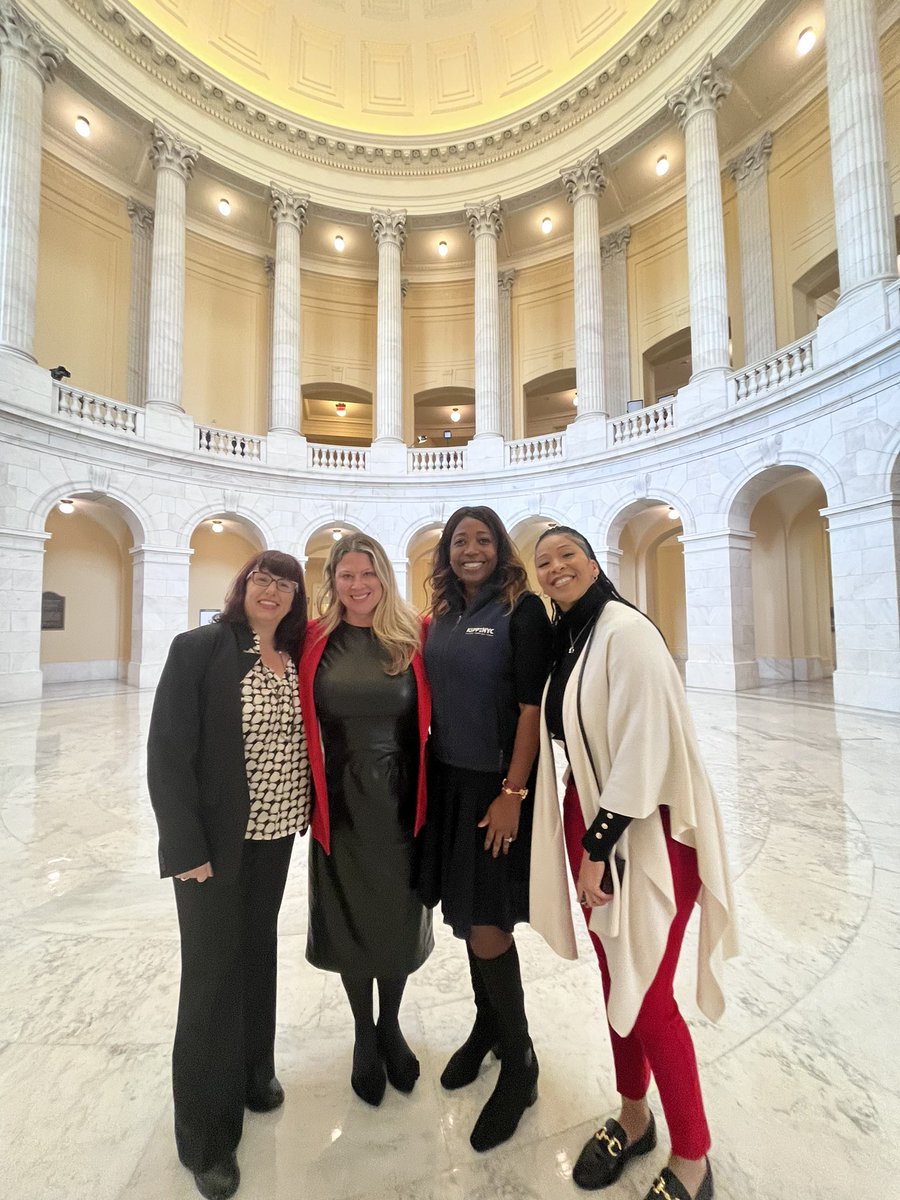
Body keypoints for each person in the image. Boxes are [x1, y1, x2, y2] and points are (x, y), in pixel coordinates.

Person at [529, 526, 738, 1200]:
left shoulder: (626, 630)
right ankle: (633, 1113)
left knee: (647, 992)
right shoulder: (574, 640)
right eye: (543, 563)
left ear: (593, 564)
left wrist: (597, 847)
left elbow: (645, 748)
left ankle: (694, 1157)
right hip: (586, 819)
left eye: (567, 556)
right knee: (616, 974)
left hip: (640, 831)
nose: (555, 567)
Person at [147, 551, 311, 1200]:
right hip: (212, 848)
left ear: (296, 597)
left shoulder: (292, 658)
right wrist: (184, 847)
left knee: (256, 955)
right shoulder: (200, 649)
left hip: (273, 838)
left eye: (285, 583)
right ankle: (206, 1137)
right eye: (262, 579)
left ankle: (252, 1072)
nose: (271, 591)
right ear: (243, 587)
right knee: (212, 976)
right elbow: (167, 755)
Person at [419, 505, 553, 1152]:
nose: (471, 549)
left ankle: (521, 1060)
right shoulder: (441, 617)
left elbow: (532, 706)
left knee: (490, 925)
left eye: (482, 539)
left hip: (496, 786)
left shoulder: (521, 610)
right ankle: (488, 1028)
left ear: (500, 548)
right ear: (447, 554)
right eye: (459, 541)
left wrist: (513, 792)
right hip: (447, 783)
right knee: (467, 918)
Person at [298, 533, 433, 1107]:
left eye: (367, 575)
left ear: (384, 577)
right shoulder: (313, 640)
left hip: (402, 801)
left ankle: (391, 1025)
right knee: (349, 917)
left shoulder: (414, 637)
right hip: (340, 801)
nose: (358, 586)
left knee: (398, 916)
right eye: (346, 575)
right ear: (332, 581)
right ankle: (362, 1032)